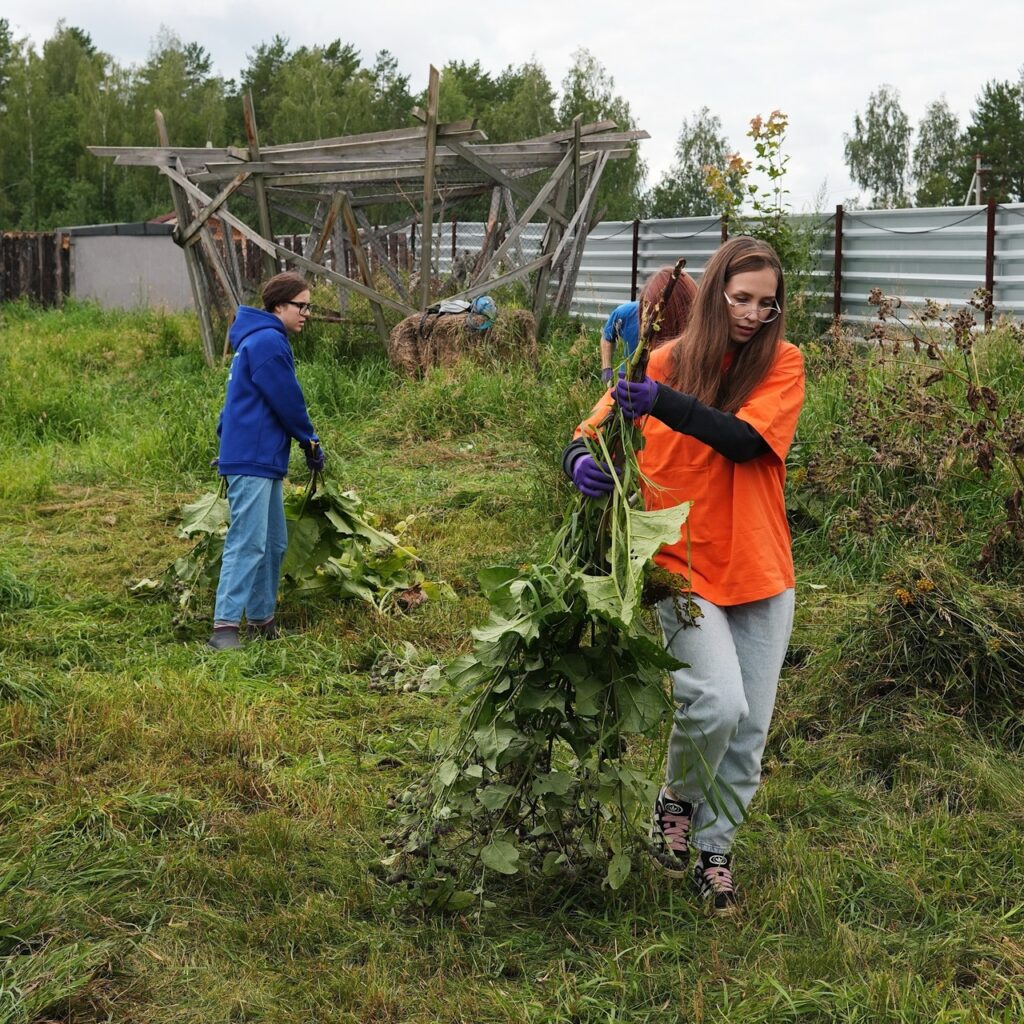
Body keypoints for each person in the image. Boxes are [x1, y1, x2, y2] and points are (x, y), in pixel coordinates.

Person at [564, 237, 805, 912]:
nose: (756, 313)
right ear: (716, 289)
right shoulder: (661, 363)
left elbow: (743, 440)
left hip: (760, 567)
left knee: (750, 726)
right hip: (682, 568)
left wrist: (662, 403)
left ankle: (714, 851)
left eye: (768, 301)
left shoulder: (782, 365)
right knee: (716, 703)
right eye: (742, 298)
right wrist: (577, 464)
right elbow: (589, 433)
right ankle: (677, 799)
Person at [207, 271, 325, 651]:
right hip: (253, 457)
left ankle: (261, 621)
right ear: (279, 306)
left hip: (260, 456)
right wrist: (309, 439)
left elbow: (236, 405)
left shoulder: (257, 341)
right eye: (301, 306)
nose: (307, 313)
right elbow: (287, 398)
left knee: (273, 542)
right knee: (248, 542)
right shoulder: (269, 342)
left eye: (309, 306)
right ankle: (224, 630)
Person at [599, 268, 697, 384]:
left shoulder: (692, 331)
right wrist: (607, 369)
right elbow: (607, 338)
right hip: (629, 382)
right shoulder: (625, 314)